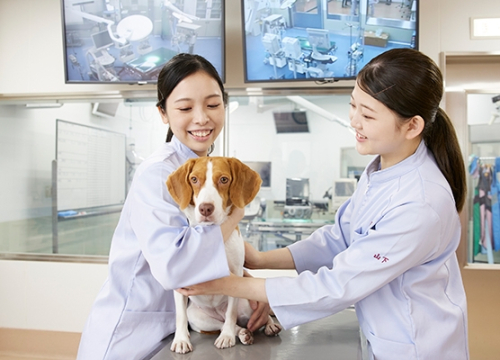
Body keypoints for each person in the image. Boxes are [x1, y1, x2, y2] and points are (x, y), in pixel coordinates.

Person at [179, 48, 470, 360]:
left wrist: (229, 285)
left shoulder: (421, 204)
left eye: (368, 115)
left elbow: (338, 285)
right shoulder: (382, 170)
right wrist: (260, 258)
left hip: (417, 346)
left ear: (412, 126)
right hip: (384, 337)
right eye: (353, 106)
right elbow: (340, 238)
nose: (355, 121)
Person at [76, 53, 269, 360]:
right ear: (163, 113)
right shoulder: (159, 173)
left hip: (179, 331)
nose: (202, 118)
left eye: (212, 104)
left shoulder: (203, 168)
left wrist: (247, 289)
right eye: (185, 107)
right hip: (132, 333)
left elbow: (210, 250)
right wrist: (235, 215)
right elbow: (176, 268)